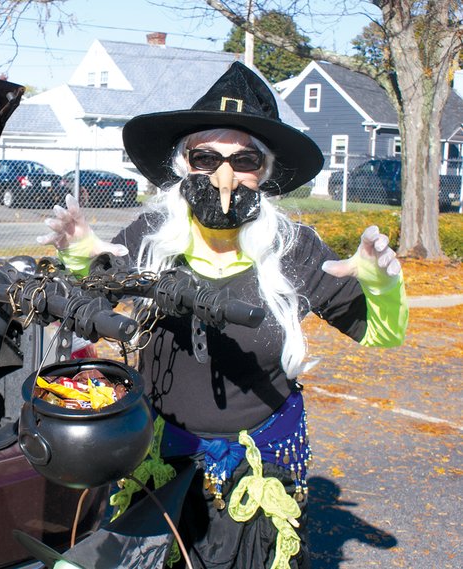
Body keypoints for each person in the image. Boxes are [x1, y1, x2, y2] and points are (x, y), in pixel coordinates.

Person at [37, 62, 408, 568]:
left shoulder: (294, 248)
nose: (225, 177)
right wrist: (82, 256)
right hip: (162, 459)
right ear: (183, 165)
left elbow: (380, 334)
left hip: (258, 468)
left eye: (245, 160)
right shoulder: (149, 235)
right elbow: (86, 309)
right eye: (206, 157)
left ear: (267, 172)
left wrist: (382, 284)